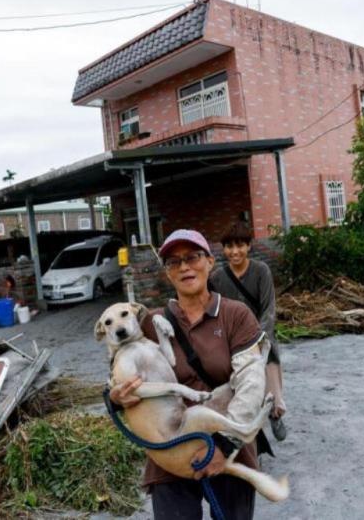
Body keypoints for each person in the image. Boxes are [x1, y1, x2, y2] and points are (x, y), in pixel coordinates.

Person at [110, 229, 269, 520]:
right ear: (167, 273)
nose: (184, 267)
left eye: (193, 257)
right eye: (173, 261)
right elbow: (122, 375)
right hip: (169, 452)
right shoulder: (149, 323)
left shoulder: (236, 315)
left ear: (210, 261)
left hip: (227, 446)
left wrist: (223, 446)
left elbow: (252, 381)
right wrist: (115, 398)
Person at [209, 222, 287, 441]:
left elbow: (268, 309)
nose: (235, 252)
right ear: (223, 249)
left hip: (262, 338)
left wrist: (259, 340)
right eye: (229, 246)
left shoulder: (261, 271)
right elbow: (214, 311)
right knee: (237, 389)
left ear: (249, 246)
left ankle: (275, 414)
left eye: (240, 245)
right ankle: (247, 431)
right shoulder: (217, 278)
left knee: (270, 383)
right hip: (232, 342)